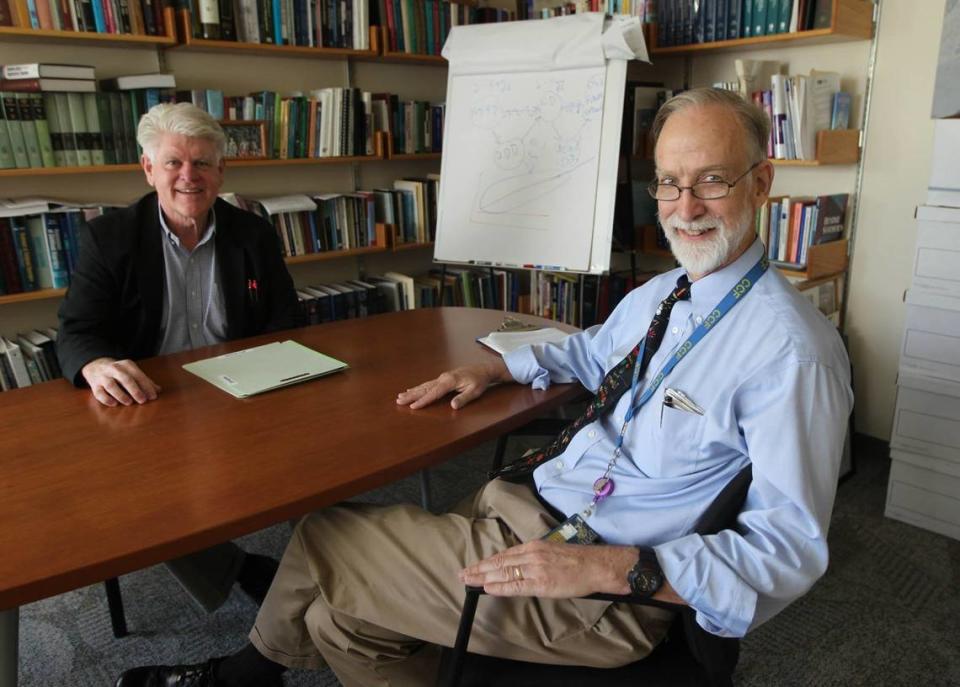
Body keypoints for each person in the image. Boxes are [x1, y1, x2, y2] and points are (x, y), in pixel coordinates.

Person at [116, 87, 854, 687]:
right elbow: (595, 353)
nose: (684, 206)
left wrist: (607, 568)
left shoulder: (792, 353)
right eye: (669, 181)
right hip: (536, 504)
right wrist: (499, 367)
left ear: (762, 181)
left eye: (712, 180)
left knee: (322, 536)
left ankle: (240, 679)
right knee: (336, 621)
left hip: (603, 583)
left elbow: (789, 548)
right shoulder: (667, 290)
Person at [58, 102, 300, 613]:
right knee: (133, 495)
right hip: (153, 402)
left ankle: (334, 568)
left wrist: (265, 372)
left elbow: (285, 321)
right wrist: (97, 364)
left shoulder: (252, 233)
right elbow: (79, 330)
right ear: (149, 169)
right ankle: (241, 569)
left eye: (202, 163)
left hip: (243, 393)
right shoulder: (111, 238)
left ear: (221, 171)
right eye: (173, 163)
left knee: (316, 456)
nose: (188, 176)